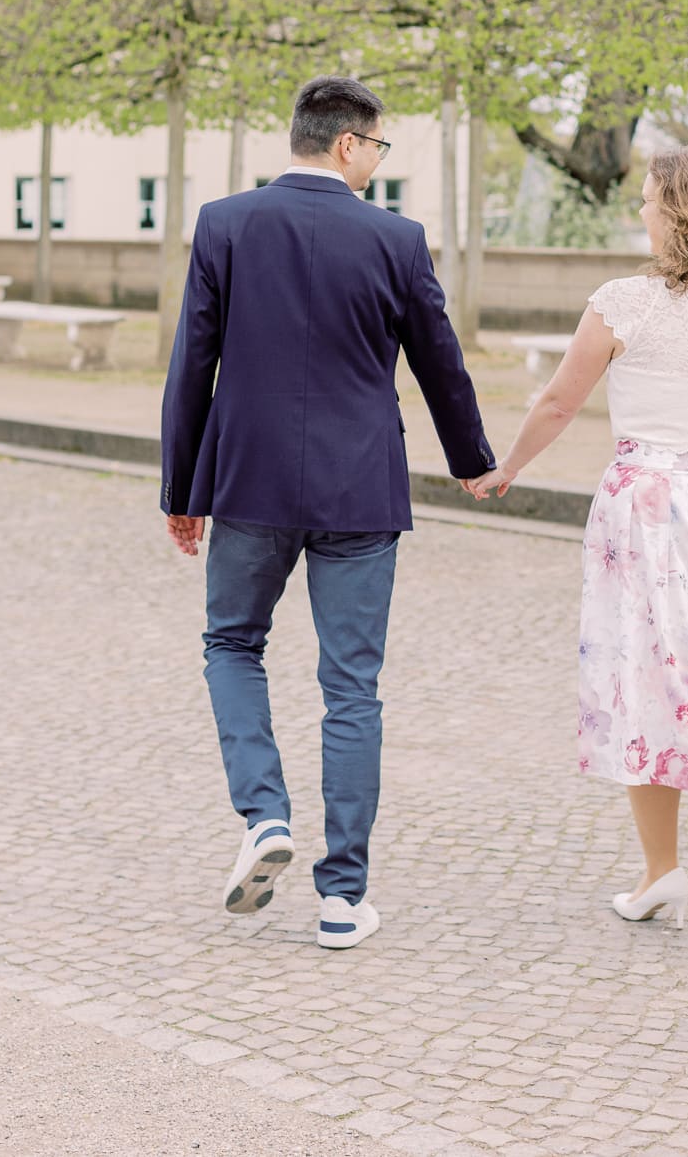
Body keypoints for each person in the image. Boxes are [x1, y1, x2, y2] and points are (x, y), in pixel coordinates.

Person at [161, 76, 494, 949]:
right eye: (378, 146)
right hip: (360, 487)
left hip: (249, 483)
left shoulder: (225, 224)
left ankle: (264, 814)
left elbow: (191, 365)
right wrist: (474, 463)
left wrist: (182, 491)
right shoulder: (396, 237)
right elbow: (440, 363)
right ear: (348, 144)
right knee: (352, 686)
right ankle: (343, 896)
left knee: (232, 643)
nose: (379, 162)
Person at [471, 144, 688, 942]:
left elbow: (562, 401)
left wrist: (507, 467)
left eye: (647, 199)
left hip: (648, 508)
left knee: (648, 684)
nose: (639, 210)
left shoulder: (622, 303)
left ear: (677, 210)